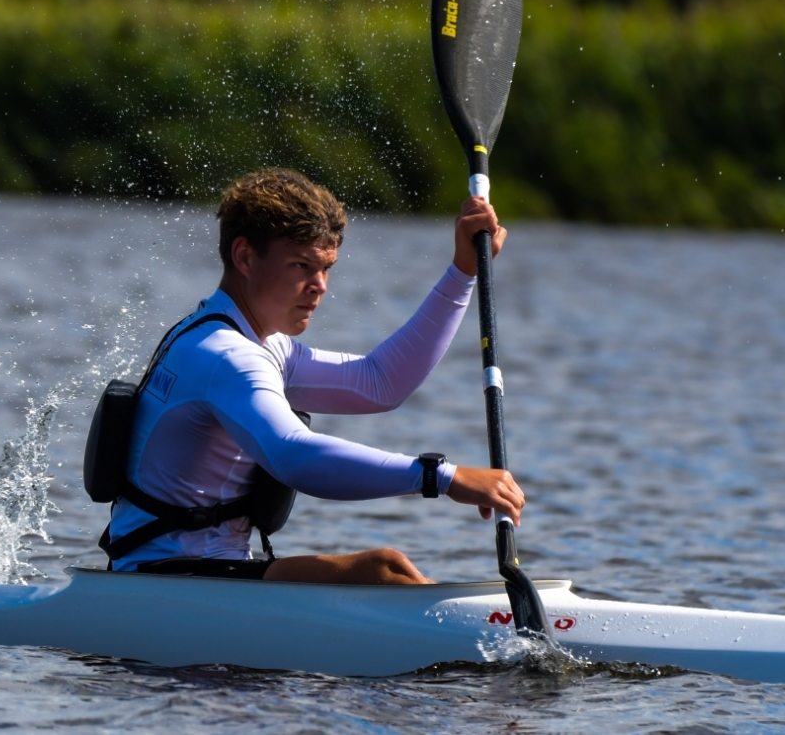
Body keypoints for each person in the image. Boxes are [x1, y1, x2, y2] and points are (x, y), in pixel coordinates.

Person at [103, 167, 526, 584]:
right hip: (166, 579)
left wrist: (462, 273)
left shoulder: (245, 341)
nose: (320, 285)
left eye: (326, 268)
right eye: (302, 266)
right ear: (245, 257)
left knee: (386, 570)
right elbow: (293, 456)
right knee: (384, 571)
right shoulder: (227, 357)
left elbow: (379, 383)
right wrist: (442, 477)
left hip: (193, 572)